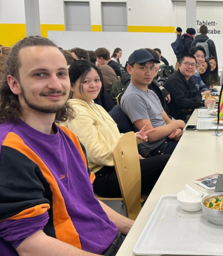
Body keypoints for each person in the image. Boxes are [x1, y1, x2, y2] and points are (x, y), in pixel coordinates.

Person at [0, 36, 132, 255]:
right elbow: (30, 245)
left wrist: (136, 229)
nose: (55, 84)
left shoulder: (69, 138)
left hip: (113, 242)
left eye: (61, 73)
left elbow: (87, 202)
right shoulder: (6, 148)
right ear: (14, 84)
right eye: (40, 74)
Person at [64, 60, 169, 198]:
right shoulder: (76, 113)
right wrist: (128, 157)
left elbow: (112, 138)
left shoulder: (94, 106)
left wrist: (135, 138)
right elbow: (94, 153)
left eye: (96, 80)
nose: (93, 85)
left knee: (164, 167)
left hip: (115, 167)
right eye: (86, 81)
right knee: (165, 163)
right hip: (102, 176)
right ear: (71, 86)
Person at [121, 49, 185, 157]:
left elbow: (167, 120)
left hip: (167, 140)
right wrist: (180, 124)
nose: (148, 72)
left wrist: (177, 130)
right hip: (158, 149)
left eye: (151, 67)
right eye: (142, 67)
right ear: (129, 69)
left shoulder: (150, 92)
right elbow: (151, 135)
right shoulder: (133, 96)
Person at [165, 55, 212, 121]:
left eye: (193, 64)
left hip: (188, 114)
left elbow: (197, 94)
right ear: (179, 65)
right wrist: (201, 103)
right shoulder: (174, 81)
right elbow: (182, 102)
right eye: (187, 64)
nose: (190, 67)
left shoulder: (189, 78)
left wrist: (191, 104)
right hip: (176, 120)